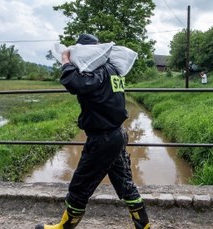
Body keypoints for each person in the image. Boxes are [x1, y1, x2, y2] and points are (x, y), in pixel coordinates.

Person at [35, 34, 150, 229]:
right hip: (117, 134)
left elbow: (74, 82)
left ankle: (65, 226)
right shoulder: (113, 69)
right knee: (125, 183)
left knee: (80, 185)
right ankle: (143, 224)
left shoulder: (97, 73)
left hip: (102, 138)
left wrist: (65, 60)